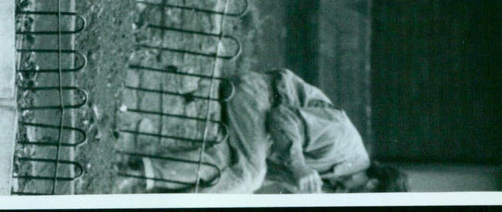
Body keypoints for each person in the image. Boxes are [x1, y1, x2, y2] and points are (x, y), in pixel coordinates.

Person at [120, 68, 408, 194]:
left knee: (238, 180)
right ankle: (139, 179)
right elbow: (283, 118)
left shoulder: (338, 179)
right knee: (249, 175)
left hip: (259, 133)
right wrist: (299, 166)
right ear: (371, 186)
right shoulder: (343, 142)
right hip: (263, 97)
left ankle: (141, 173)